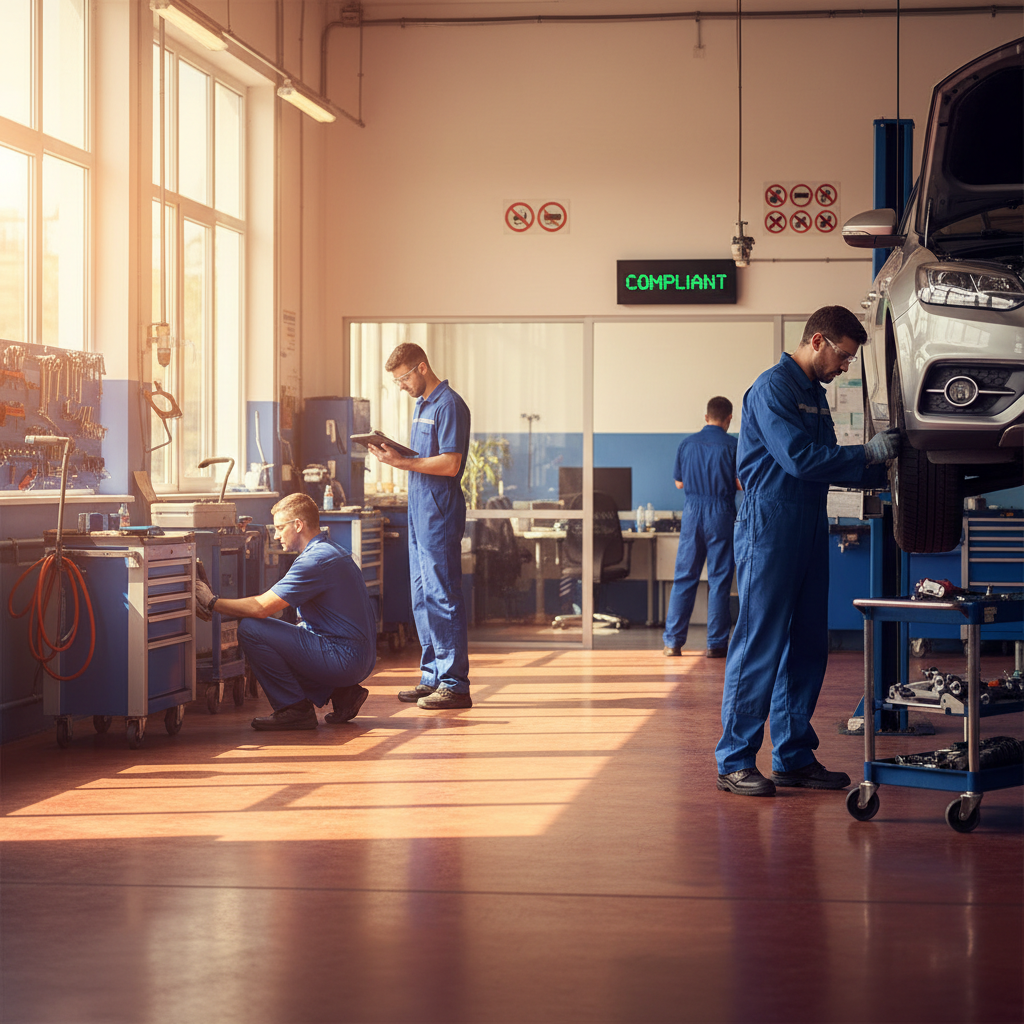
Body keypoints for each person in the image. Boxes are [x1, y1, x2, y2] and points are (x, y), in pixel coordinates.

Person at [715, 306, 900, 797]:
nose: (845, 367)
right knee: (759, 643)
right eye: (843, 356)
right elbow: (799, 459)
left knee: (808, 646)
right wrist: (867, 453)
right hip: (768, 527)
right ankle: (734, 759)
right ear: (817, 341)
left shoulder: (815, 397)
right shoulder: (772, 388)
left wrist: (886, 468)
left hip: (808, 524)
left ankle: (793, 756)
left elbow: (826, 466)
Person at [193, 493, 377, 730]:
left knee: (251, 629)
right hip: (358, 656)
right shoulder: (330, 550)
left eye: (280, 528)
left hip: (345, 659)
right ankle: (343, 694)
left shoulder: (314, 561)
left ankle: (295, 708)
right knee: (285, 634)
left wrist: (211, 602)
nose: (277, 535)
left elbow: (260, 608)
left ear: (298, 525)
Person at [368, 343, 473, 710]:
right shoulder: (422, 406)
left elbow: (449, 464)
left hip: (439, 516)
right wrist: (393, 454)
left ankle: (455, 683)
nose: (400, 386)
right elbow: (424, 459)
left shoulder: (449, 405)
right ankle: (432, 676)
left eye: (402, 378)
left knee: (443, 596)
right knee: (421, 598)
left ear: (422, 368)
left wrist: (401, 464)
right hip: (419, 514)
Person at [663, 396, 741, 660]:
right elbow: (741, 484)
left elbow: (679, 484)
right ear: (729, 419)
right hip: (721, 512)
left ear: (706, 417)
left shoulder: (686, 444)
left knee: (685, 576)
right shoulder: (733, 445)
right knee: (719, 580)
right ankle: (716, 645)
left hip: (692, 512)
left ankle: (673, 643)